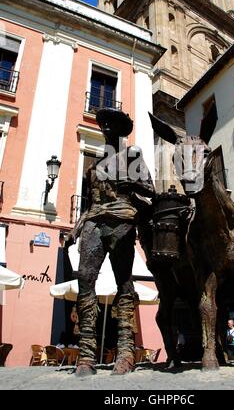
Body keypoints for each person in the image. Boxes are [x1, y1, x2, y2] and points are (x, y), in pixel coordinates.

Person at [66, 108, 155, 377]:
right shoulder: (93, 166)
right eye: (102, 122)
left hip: (122, 219)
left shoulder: (132, 155)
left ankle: (126, 351)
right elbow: (90, 202)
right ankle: (86, 353)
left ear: (120, 128)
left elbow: (150, 189)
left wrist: (130, 185)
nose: (105, 126)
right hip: (94, 219)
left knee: (123, 280)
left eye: (110, 123)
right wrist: (77, 225)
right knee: (85, 278)